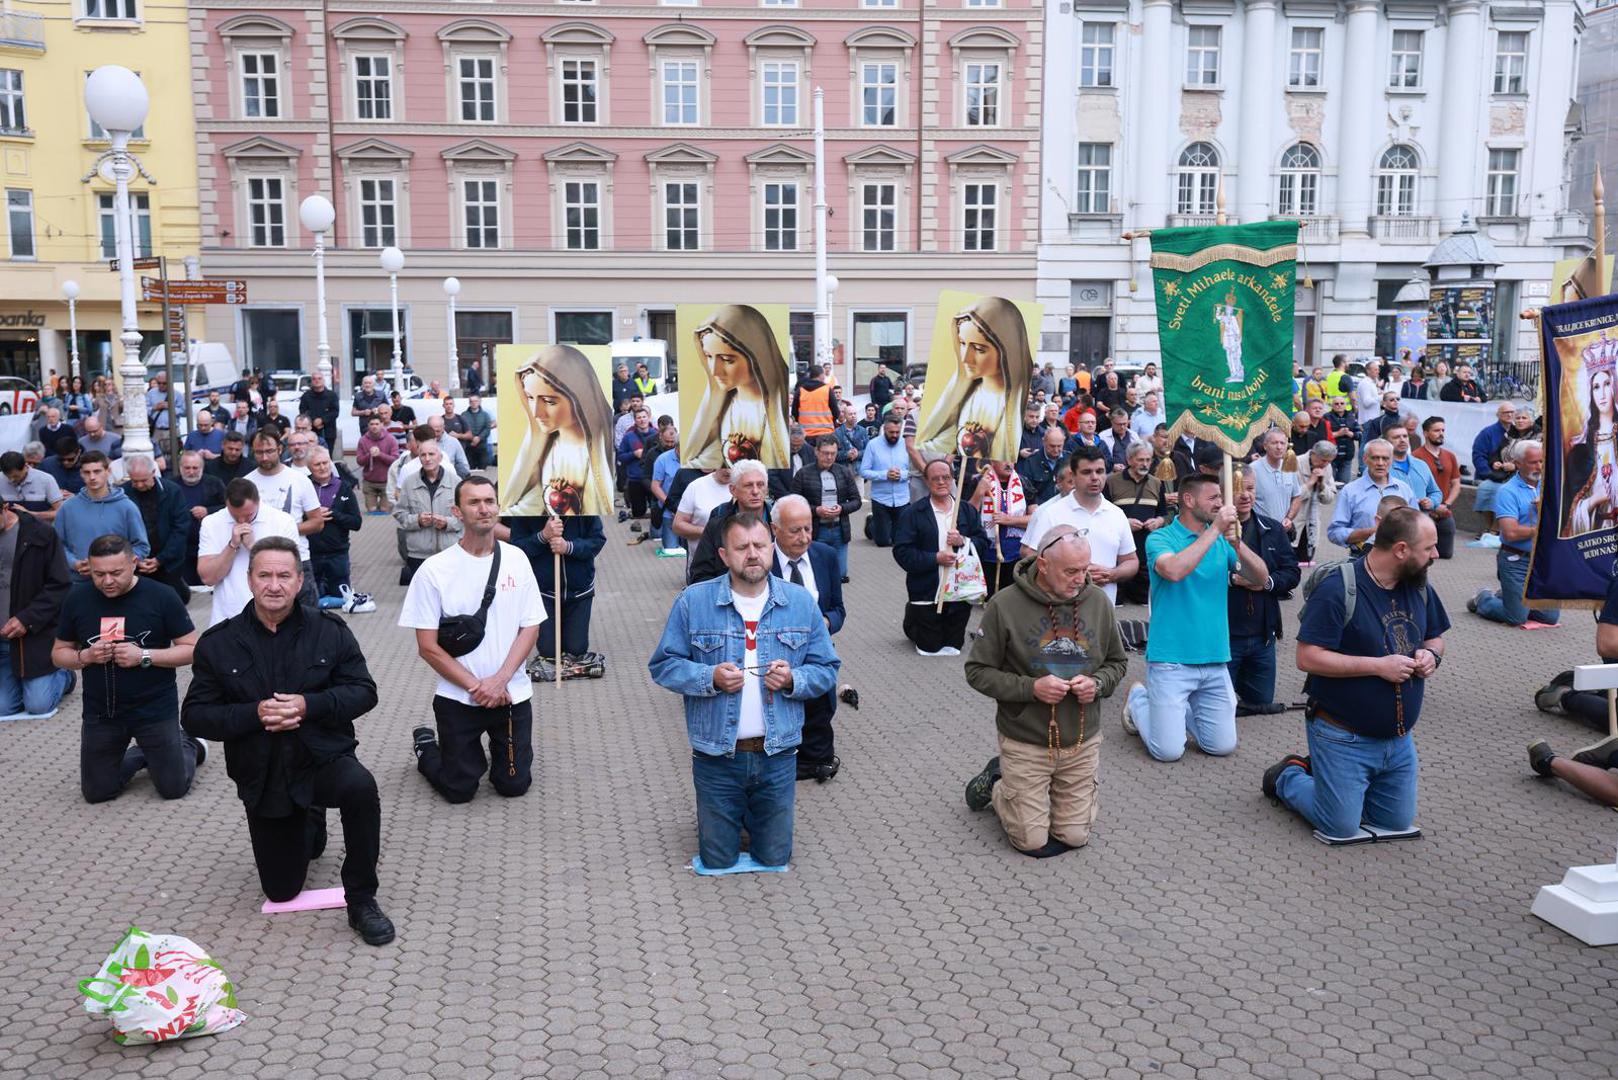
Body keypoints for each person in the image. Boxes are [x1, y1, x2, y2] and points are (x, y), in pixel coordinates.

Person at [181, 536, 393, 946]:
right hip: (263, 772)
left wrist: (307, 706)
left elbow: (364, 691)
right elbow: (194, 715)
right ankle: (309, 820)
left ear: (299, 581)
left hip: (321, 758)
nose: (273, 585)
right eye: (264, 575)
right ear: (249, 579)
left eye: (283, 575)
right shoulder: (218, 642)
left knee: (360, 788)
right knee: (281, 890)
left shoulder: (330, 631)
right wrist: (253, 714)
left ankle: (363, 898)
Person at [649, 512, 840, 870]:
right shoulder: (694, 602)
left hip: (778, 756)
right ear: (724, 555)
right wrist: (709, 678)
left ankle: (750, 814)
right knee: (717, 859)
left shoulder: (800, 602)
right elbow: (664, 665)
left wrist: (794, 680)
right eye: (741, 547)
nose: (752, 554)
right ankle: (729, 814)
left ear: (772, 547)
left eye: (759, 545)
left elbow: (827, 669)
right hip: (717, 757)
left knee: (774, 857)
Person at [1263, 507, 1448, 841]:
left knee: (1395, 824)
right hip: (1342, 734)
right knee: (1340, 826)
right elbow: (1307, 657)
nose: (1437, 554)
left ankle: (1344, 787)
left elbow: (1436, 635)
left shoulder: (1418, 584)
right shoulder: (1338, 588)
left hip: (1398, 738)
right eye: (1428, 548)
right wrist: (1378, 666)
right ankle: (1289, 776)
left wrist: (1431, 654)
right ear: (1401, 550)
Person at [963, 525, 1128, 857]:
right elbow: (977, 672)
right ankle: (998, 782)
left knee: (1074, 836)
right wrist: (1031, 688)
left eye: (1085, 569)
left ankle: (1035, 794)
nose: (1081, 578)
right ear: (1043, 563)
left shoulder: (1097, 601)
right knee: (1031, 841)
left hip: (1081, 739)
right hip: (1026, 738)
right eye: (1071, 571)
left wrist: (1097, 685)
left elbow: (1117, 662)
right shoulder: (1004, 605)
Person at [402, 475, 544, 803]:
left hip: (511, 694)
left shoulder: (517, 559)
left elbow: (531, 627)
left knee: (513, 785)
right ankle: (427, 747)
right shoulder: (434, 570)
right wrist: (477, 687)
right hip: (459, 697)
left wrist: (500, 681)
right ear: (457, 511)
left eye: (489, 501)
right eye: (474, 502)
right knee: (459, 789)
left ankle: (505, 752)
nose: (483, 509)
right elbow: (428, 647)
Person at [1121, 474, 1269, 762]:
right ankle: (1139, 700)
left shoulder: (1223, 541)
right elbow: (1174, 570)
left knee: (1221, 746)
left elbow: (1261, 578)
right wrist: (1214, 531)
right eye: (1213, 497)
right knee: (1168, 752)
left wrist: (1237, 544)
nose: (1220, 503)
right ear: (1188, 500)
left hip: (1215, 656)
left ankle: (1174, 713)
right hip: (1171, 660)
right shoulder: (1160, 538)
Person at [55, 534, 202, 802]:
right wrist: (85, 655)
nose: (107, 581)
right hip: (103, 713)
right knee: (97, 793)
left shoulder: (162, 596)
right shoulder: (78, 599)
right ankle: (145, 754)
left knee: (173, 788)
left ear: (134, 563)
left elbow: (193, 649)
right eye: (99, 574)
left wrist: (144, 656)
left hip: (154, 710)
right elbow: (58, 654)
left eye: (115, 573)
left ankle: (187, 743)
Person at [768, 497, 846, 782]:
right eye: (795, 531)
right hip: (775, 656)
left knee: (821, 710)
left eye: (808, 529)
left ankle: (814, 760)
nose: (804, 538)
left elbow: (838, 609)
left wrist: (824, 623)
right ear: (774, 528)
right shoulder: (762, 560)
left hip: (815, 652)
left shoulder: (825, 555)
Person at [504, 345, 616, 517]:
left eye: (549, 401)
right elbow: (534, 502)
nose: (535, 413)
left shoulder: (597, 450)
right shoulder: (546, 449)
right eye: (530, 398)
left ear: (579, 398)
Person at [916, 297, 1032, 463]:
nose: (965, 358)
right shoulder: (968, 396)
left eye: (979, 349)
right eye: (962, 343)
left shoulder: (1016, 403)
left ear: (1006, 350)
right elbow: (948, 440)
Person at [893, 459, 991, 657]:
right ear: (927, 482)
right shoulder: (913, 513)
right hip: (928, 590)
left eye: (945, 477)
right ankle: (912, 620)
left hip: (958, 592)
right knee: (929, 648)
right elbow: (902, 552)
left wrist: (964, 540)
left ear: (953, 479)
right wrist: (935, 558)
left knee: (953, 647)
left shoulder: (966, 511)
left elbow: (983, 543)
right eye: (935, 478)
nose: (941, 482)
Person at [1227, 467, 1302, 715]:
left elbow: (1292, 572)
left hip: (1262, 632)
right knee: (1222, 702)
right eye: (1238, 490)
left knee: (1261, 700)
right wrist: (1232, 579)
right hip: (1225, 632)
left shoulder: (1272, 528)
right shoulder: (1209, 533)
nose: (1246, 496)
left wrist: (1267, 583)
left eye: (1250, 488)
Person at [1022, 445, 1138, 603]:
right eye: (1086, 472)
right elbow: (1029, 555)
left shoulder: (1117, 514)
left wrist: (1112, 574)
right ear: (1073, 475)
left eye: (1100, 471)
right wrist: (1072, 573)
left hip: (1102, 612)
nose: (1095, 477)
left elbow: (1131, 561)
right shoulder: (1051, 512)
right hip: (1058, 609)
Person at [686, 305, 792, 470]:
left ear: (756, 357)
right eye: (708, 357)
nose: (714, 371)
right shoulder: (725, 407)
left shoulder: (777, 404)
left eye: (727, 359)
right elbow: (715, 454)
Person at [506, 510, 605, 677]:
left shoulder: (586, 508)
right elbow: (517, 548)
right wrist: (542, 536)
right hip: (543, 591)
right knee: (548, 651)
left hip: (579, 590)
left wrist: (569, 547)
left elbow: (597, 541)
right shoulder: (524, 509)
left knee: (576, 650)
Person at [1470, 440, 1558, 627]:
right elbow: (1510, 533)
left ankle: (1509, 595)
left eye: (1542, 461)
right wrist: (1541, 527)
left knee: (1550, 618)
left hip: (1542, 561)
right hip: (1516, 560)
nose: (1539, 467)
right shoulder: (1507, 491)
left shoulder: (1551, 485)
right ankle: (1483, 599)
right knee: (1516, 618)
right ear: (1517, 463)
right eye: (1533, 462)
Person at [196, 478, 304, 626]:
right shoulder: (211, 522)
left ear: (258, 501)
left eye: (248, 515)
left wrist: (253, 547)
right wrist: (232, 545)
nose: (242, 520)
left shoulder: (283, 521)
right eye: (234, 515)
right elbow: (208, 578)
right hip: (228, 618)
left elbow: (291, 572)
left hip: (276, 619)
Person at [0, 497, 73, 716]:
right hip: (2, 642)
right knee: (4, 707)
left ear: (5, 508)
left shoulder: (39, 533)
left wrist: (27, 619)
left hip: (34, 635)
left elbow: (60, 585)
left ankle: (64, 674)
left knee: (38, 705)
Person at [246, 430, 324, 602]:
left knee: (307, 619)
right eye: (259, 452)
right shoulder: (247, 483)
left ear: (280, 449)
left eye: (269, 451)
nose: (264, 457)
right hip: (261, 562)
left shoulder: (300, 479)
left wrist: (285, 529)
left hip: (298, 559)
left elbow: (317, 522)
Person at [54, 452, 149, 582]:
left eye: (97, 471)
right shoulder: (67, 508)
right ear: (81, 474)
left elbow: (141, 547)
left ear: (108, 471)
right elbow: (57, 545)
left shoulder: (127, 507)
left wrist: (114, 566)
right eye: (87, 472)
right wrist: (74, 563)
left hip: (117, 583)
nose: (92, 477)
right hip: (78, 581)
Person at [122, 453, 192, 604]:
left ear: (153, 473)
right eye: (135, 481)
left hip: (168, 563)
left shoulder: (172, 491)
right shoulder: (123, 494)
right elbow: (119, 531)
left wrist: (160, 559)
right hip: (134, 562)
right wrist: (135, 559)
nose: (139, 485)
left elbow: (180, 529)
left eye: (143, 480)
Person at [688, 460, 772, 586]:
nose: (755, 491)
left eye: (760, 485)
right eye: (748, 485)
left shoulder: (779, 520)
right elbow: (701, 574)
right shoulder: (718, 523)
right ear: (733, 490)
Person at [791, 435, 861, 582]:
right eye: (825, 453)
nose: (829, 457)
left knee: (840, 574)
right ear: (816, 452)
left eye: (833, 453)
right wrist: (816, 510)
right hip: (816, 531)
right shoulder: (803, 474)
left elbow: (856, 501)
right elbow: (794, 505)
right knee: (817, 574)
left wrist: (841, 508)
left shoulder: (844, 472)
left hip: (839, 530)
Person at [1107, 443, 1168, 605]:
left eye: (1148, 460)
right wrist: (1123, 523)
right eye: (1141, 460)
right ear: (1129, 459)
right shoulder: (1112, 481)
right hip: (1118, 549)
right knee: (1116, 600)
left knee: (1143, 600)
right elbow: (1101, 512)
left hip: (1145, 547)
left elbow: (1164, 512)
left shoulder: (1157, 483)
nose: (1145, 464)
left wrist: (1158, 521)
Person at [1327, 440, 1414, 554]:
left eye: (1385, 458)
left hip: (1400, 558)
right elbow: (1335, 532)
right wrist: (1370, 533)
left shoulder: (1404, 489)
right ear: (1365, 459)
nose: (1380, 463)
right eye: (1375, 458)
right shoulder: (1350, 491)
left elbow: (1416, 525)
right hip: (1362, 557)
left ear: (1392, 460)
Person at [393, 438, 463, 581]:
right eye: (423, 455)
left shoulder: (456, 482)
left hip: (449, 551)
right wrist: (417, 520)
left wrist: (447, 523)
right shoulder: (409, 482)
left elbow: (466, 517)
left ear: (440, 457)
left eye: (431, 454)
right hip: (418, 554)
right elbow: (399, 513)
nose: (427, 458)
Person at [306, 446, 366, 609]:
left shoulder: (344, 487)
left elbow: (356, 523)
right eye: (317, 464)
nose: (322, 467)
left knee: (340, 602)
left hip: (337, 554)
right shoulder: (304, 486)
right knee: (312, 603)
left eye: (325, 463)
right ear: (310, 467)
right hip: (312, 553)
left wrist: (333, 514)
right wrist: (312, 516)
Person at [974, 459, 1032, 597]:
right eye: (1004, 459)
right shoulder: (978, 480)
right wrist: (978, 493)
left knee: (1010, 599)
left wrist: (1010, 520)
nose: (1009, 464)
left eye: (1012, 459)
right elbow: (967, 515)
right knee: (987, 600)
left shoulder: (1023, 482)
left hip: (1015, 555)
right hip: (985, 555)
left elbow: (1036, 519)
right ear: (993, 460)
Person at [175, 450, 226, 588]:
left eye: (195, 468)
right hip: (181, 549)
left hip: (209, 546)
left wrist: (207, 511)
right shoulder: (171, 486)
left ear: (202, 468)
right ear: (180, 468)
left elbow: (228, 507)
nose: (191, 472)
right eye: (187, 468)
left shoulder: (214, 483)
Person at [1412, 417, 1460, 561]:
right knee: (1423, 555)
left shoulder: (1449, 456)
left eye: (1443, 430)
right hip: (1424, 511)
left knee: (1446, 554)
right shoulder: (1416, 457)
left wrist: (1446, 504)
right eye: (1436, 430)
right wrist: (1431, 505)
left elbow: (1456, 483)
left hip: (1444, 511)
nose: (1441, 433)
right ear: (1426, 433)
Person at [860, 413, 910, 548]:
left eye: (897, 432)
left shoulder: (907, 444)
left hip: (902, 498)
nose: (894, 435)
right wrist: (884, 475)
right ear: (884, 429)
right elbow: (863, 471)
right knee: (882, 542)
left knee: (897, 541)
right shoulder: (873, 445)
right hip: (881, 498)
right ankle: (871, 523)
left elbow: (914, 471)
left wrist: (902, 475)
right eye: (891, 432)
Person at [1471, 401, 1517, 532]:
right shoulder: (1487, 433)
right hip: (1491, 474)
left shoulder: (1518, 432)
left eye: (1512, 412)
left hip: (1513, 475)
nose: (1509, 415)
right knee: (1487, 488)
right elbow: (1478, 455)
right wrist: (1488, 473)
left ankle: (1494, 530)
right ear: (1498, 415)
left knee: (1504, 491)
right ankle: (1491, 527)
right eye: (1505, 412)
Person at [1250, 428, 1305, 532]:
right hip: (1261, 531)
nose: (1279, 447)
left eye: (1282, 443)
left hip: (1283, 531)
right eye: (1274, 443)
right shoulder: (1253, 470)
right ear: (1265, 446)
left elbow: (1297, 497)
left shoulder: (1289, 467)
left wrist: (1289, 518)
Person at [616, 407, 662, 524]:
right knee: (638, 511)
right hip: (635, 478)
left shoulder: (657, 435)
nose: (642, 420)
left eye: (644, 417)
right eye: (639, 418)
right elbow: (621, 456)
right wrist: (634, 454)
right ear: (635, 421)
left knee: (656, 509)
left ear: (649, 418)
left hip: (653, 479)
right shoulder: (629, 436)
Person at [0, 448, 65, 523]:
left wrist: (31, 514)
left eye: (16, 476)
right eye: (7, 476)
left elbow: (61, 512)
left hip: (39, 531)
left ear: (25, 466)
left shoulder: (46, 479)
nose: (11, 480)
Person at [648, 425, 684, 555]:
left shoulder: (695, 459)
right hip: (669, 511)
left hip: (690, 513)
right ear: (677, 446)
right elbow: (655, 486)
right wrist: (670, 504)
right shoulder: (662, 460)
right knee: (670, 550)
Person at [356, 416, 400, 513]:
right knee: (372, 510)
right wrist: (369, 456)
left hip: (387, 481)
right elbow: (359, 461)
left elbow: (396, 461)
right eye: (372, 424)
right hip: (369, 481)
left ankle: (384, 504)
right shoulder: (363, 440)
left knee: (385, 510)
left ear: (382, 425)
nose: (374, 427)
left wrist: (380, 455)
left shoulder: (391, 439)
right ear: (368, 426)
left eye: (377, 424)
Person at [791, 364, 841, 439]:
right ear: (821, 375)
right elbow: (836, 412)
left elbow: (794, 413)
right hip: (825, 433)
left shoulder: (800, 391)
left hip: (806, 434)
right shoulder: (827, 390)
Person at [1325, 397, 1359, 483]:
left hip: (1347, 456)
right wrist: (1338, 434)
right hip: (1330, 456)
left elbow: (1359, 435)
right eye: (1336, 404)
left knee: (1344, 484)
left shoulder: (1351, 416)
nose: (1339, 405)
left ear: (1346, 405)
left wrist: (1350, 434)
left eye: (1342, 403)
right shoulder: (1326, 417)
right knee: (1330, 484)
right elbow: (1322, 435)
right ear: (1332, 406)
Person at [462, 393, 495, 471]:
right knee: (470, 470)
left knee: (483, 470)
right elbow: (463, 428)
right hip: (469, 447)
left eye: (476, 401)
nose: (474, 403)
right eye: (471, 401)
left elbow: (487, 429)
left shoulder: (485, 415)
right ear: (469, 402)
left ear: (480, 402)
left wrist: (479, 438)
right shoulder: (464, 415)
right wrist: (472, 438)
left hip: (482, 447)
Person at [1099, 409, 1137, 473]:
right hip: (1111, 474)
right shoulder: (1103, 436)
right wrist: (1112, 466)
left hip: (1131, 472)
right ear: (1112, 422)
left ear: (1128, 422)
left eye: (1124, 424)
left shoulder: (1134, 435)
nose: (1122, 427)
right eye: (1119, 424)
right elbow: (1099, 458)